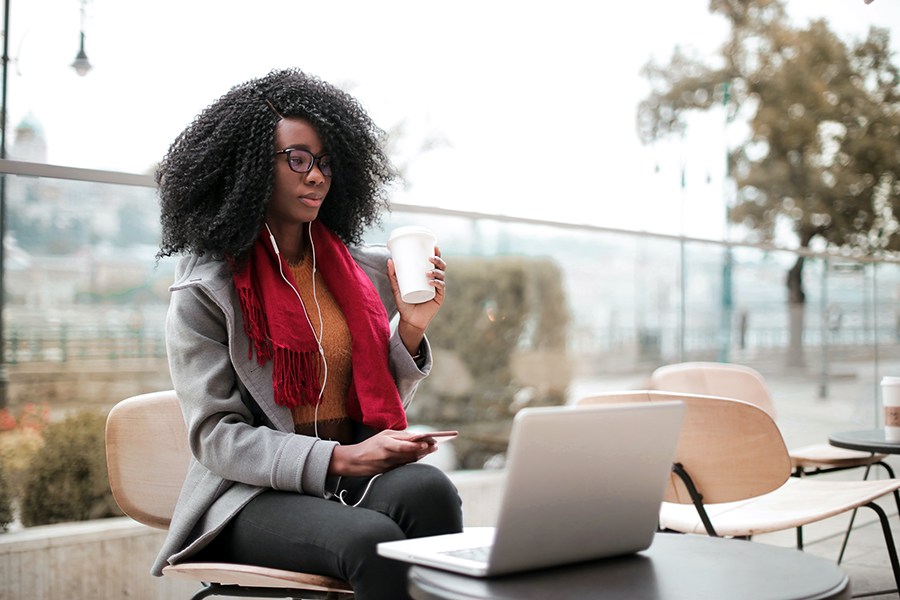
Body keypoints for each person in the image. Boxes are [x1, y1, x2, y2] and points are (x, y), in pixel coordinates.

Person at [151, 68, 463, 600]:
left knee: (432, 490)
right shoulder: (207, 289)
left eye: (325, 161)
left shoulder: (358, 271)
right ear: (248, 167)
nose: (316, 175)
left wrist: (410, 328)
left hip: (345, 471)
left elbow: (368, 391)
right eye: (297, 159)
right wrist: (341, 459)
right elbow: (216, 437)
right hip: (250, 495)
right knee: (372, 540)